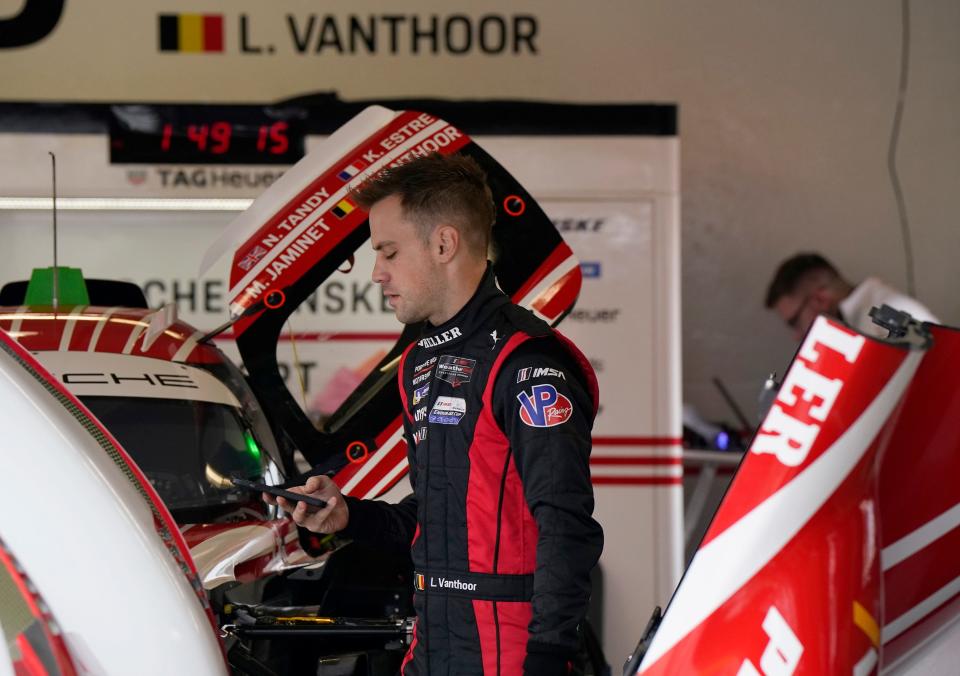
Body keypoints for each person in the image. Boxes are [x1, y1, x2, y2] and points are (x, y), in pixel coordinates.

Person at [270, 153, 603, 676]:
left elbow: (566, 526)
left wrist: (546, 658)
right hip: (431, 649)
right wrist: (349, 515)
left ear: (444, 244)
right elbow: (436, 520)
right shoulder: (419, 363)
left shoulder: (527, 363)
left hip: (509, 655)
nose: (377, 274)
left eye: (389, 252)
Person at [764, 252, 939, 340]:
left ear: (820, 299)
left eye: (794, 322)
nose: (797, 335)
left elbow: (944, 360)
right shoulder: (858, 321)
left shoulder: (885, 310)